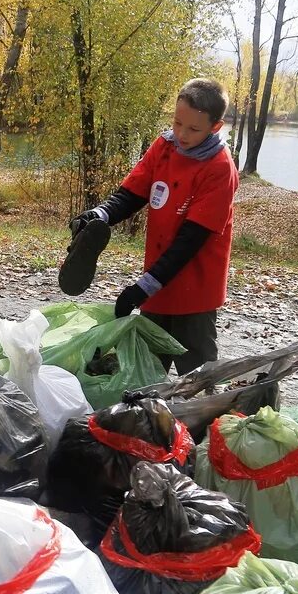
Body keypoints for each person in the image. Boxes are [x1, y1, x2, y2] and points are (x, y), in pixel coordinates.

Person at [60, 78, 239, 375]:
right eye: (177, 122)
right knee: (146, 371)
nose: (181, 134)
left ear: (215, 127)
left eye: (193, 129)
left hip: (196, 290)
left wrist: (140, 289)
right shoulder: (165, 146)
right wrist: (100, 214)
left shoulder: (219, 169)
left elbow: (188, 244)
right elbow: (131, 194)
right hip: (158, 282)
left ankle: (206, 420)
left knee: (197, 376)